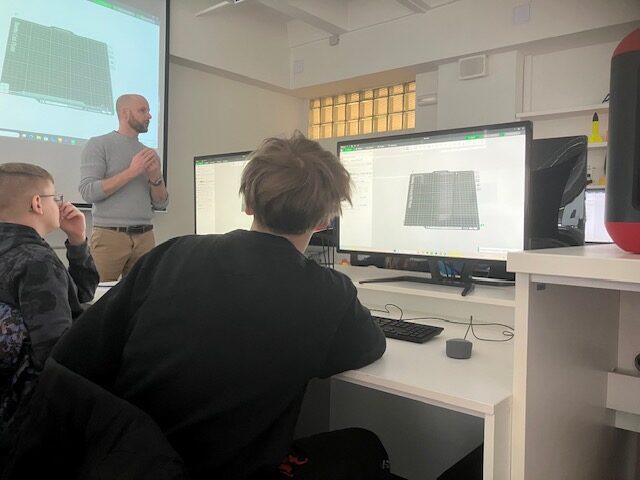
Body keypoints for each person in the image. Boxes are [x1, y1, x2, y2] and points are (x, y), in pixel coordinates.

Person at [50, 132, 388, 479]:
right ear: (324, 222)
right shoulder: (329, 293)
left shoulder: (171, 254)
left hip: (119, 462)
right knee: (365, 446)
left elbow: (75, 352)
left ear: (248, 204)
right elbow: (369, 345)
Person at [0, 163, 99, 427]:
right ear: (37, 203)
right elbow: (56, 355)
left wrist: (77, 240)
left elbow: (80, 294)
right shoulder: (37, 262)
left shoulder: (23, 251)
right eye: (55, 197)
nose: (60, 204)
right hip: (30, 408)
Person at [79, 93, 169, 282]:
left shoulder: (149, 154)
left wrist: (155, 177)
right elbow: (88, 191)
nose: (149, 115)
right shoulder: (98, 144)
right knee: (100, 295)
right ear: (125, 113)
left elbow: (161, 203)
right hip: (109, 236)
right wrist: (132, 171)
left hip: (145, 237)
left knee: (142, 295)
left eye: (149, 110)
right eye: (142, 110)